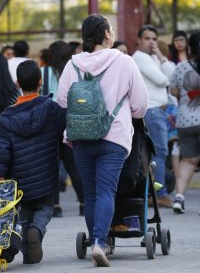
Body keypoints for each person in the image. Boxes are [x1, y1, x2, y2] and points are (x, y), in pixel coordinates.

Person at [57, 14, 148, 267]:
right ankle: (99, 242)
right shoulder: (125, 62)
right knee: (107, 190)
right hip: (114, 137)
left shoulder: (72, 64)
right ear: (107, 34)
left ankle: (101, 241)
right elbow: (140, 106)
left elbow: (63, 103)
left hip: (81, 137)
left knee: (91, 193)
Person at [0, 60, 66, 264]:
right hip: (45, 175)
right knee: (44, 208)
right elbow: (67, 127)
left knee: (23, 213)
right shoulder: (51, 108)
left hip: (19, 178)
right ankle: (37, 230)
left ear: (17, 84)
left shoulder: (6, 117)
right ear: (41, 81)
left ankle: (27, 250)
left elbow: (0, 151)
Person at [170, 32, 200, 215]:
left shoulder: (181, 67)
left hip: (185, 119)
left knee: (188, 160)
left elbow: (174, 90)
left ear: (189, 47)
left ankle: (179, 198)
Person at [132, 24, 176, 208]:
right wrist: (160, 60)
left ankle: (155, 193)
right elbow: (164, 80)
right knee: (160, 152)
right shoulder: (139, 58)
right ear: (139, 40)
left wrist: (160, 56)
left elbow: (174, 76)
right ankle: (160, 194)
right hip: (153, 110)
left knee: (156, 153)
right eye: (148, 38)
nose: (151, 42)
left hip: (159, 110)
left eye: (154, 39)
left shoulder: (152, 58)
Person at [41, 40, 85, 217]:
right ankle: (84, 204)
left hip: (49, 121)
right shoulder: (76, 71)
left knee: (51, 165)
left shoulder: (43, 72)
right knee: (74, 165)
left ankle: (55, 206)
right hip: (71, 120)